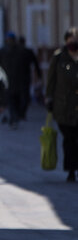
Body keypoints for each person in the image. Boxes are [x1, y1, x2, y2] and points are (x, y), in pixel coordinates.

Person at [45, 27, 78, 182]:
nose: (73, 42)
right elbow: (51, 81)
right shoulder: (59, 58)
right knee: (69, 139)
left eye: (75, 39)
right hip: (63, 107)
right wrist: (49, 99)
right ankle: (71, 170)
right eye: (70, 39)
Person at [0, 31, 25, 128]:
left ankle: (15, 117)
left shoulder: (19, 50)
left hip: (17, 80)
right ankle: (14, 117)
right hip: (7, 80)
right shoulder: (3, 51)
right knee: (11, 100)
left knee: (17, 100)